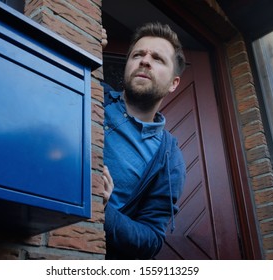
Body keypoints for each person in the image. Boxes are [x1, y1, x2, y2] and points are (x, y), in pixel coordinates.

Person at [101, 22, 186, 259]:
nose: (145, 60)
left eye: (158, 59)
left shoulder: (169, 160)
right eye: (138, 54)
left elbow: (150, 240)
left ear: (173, 83)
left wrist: (105, 210)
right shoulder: (92, 88)